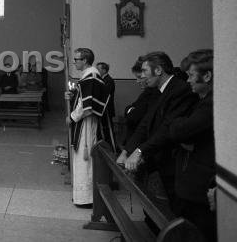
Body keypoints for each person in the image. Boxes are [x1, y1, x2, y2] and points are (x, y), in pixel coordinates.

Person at [118, 51, 198, 209]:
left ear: (158, 70)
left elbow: (167, 127)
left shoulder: (180, 89)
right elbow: (145, 123)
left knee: (172, 206)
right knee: (155, 204)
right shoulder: (158, 89)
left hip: (173, 159)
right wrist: (127, 151)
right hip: (157, 156)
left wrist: (139, 151)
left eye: (145, 71)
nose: (142, 75)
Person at [168, 50, 216, 241]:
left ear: (206, 76)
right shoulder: (201, 101)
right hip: (194, 186)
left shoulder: (210, 104)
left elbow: (178, 131)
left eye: (191, 76)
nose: (187, 81)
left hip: (200, 187)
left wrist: (179, 128)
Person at [64, 48, 114, 207]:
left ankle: (86, 198)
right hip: (87, 122)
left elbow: (86, 106)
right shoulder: (90, 75)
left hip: (86, 123)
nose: (74, 62)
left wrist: (72, 117)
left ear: (85, 60)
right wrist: (72, 96)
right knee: (83, 159)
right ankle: (83, 196)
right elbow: (83, 98)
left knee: (84, 159)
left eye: (77, 59)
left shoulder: (90, 76)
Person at [123, 57, 160, 144]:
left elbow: (133, 117)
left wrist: (130, 110)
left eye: (140, 77)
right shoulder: (146, 93)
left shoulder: (152, 93)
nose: (137, 81)